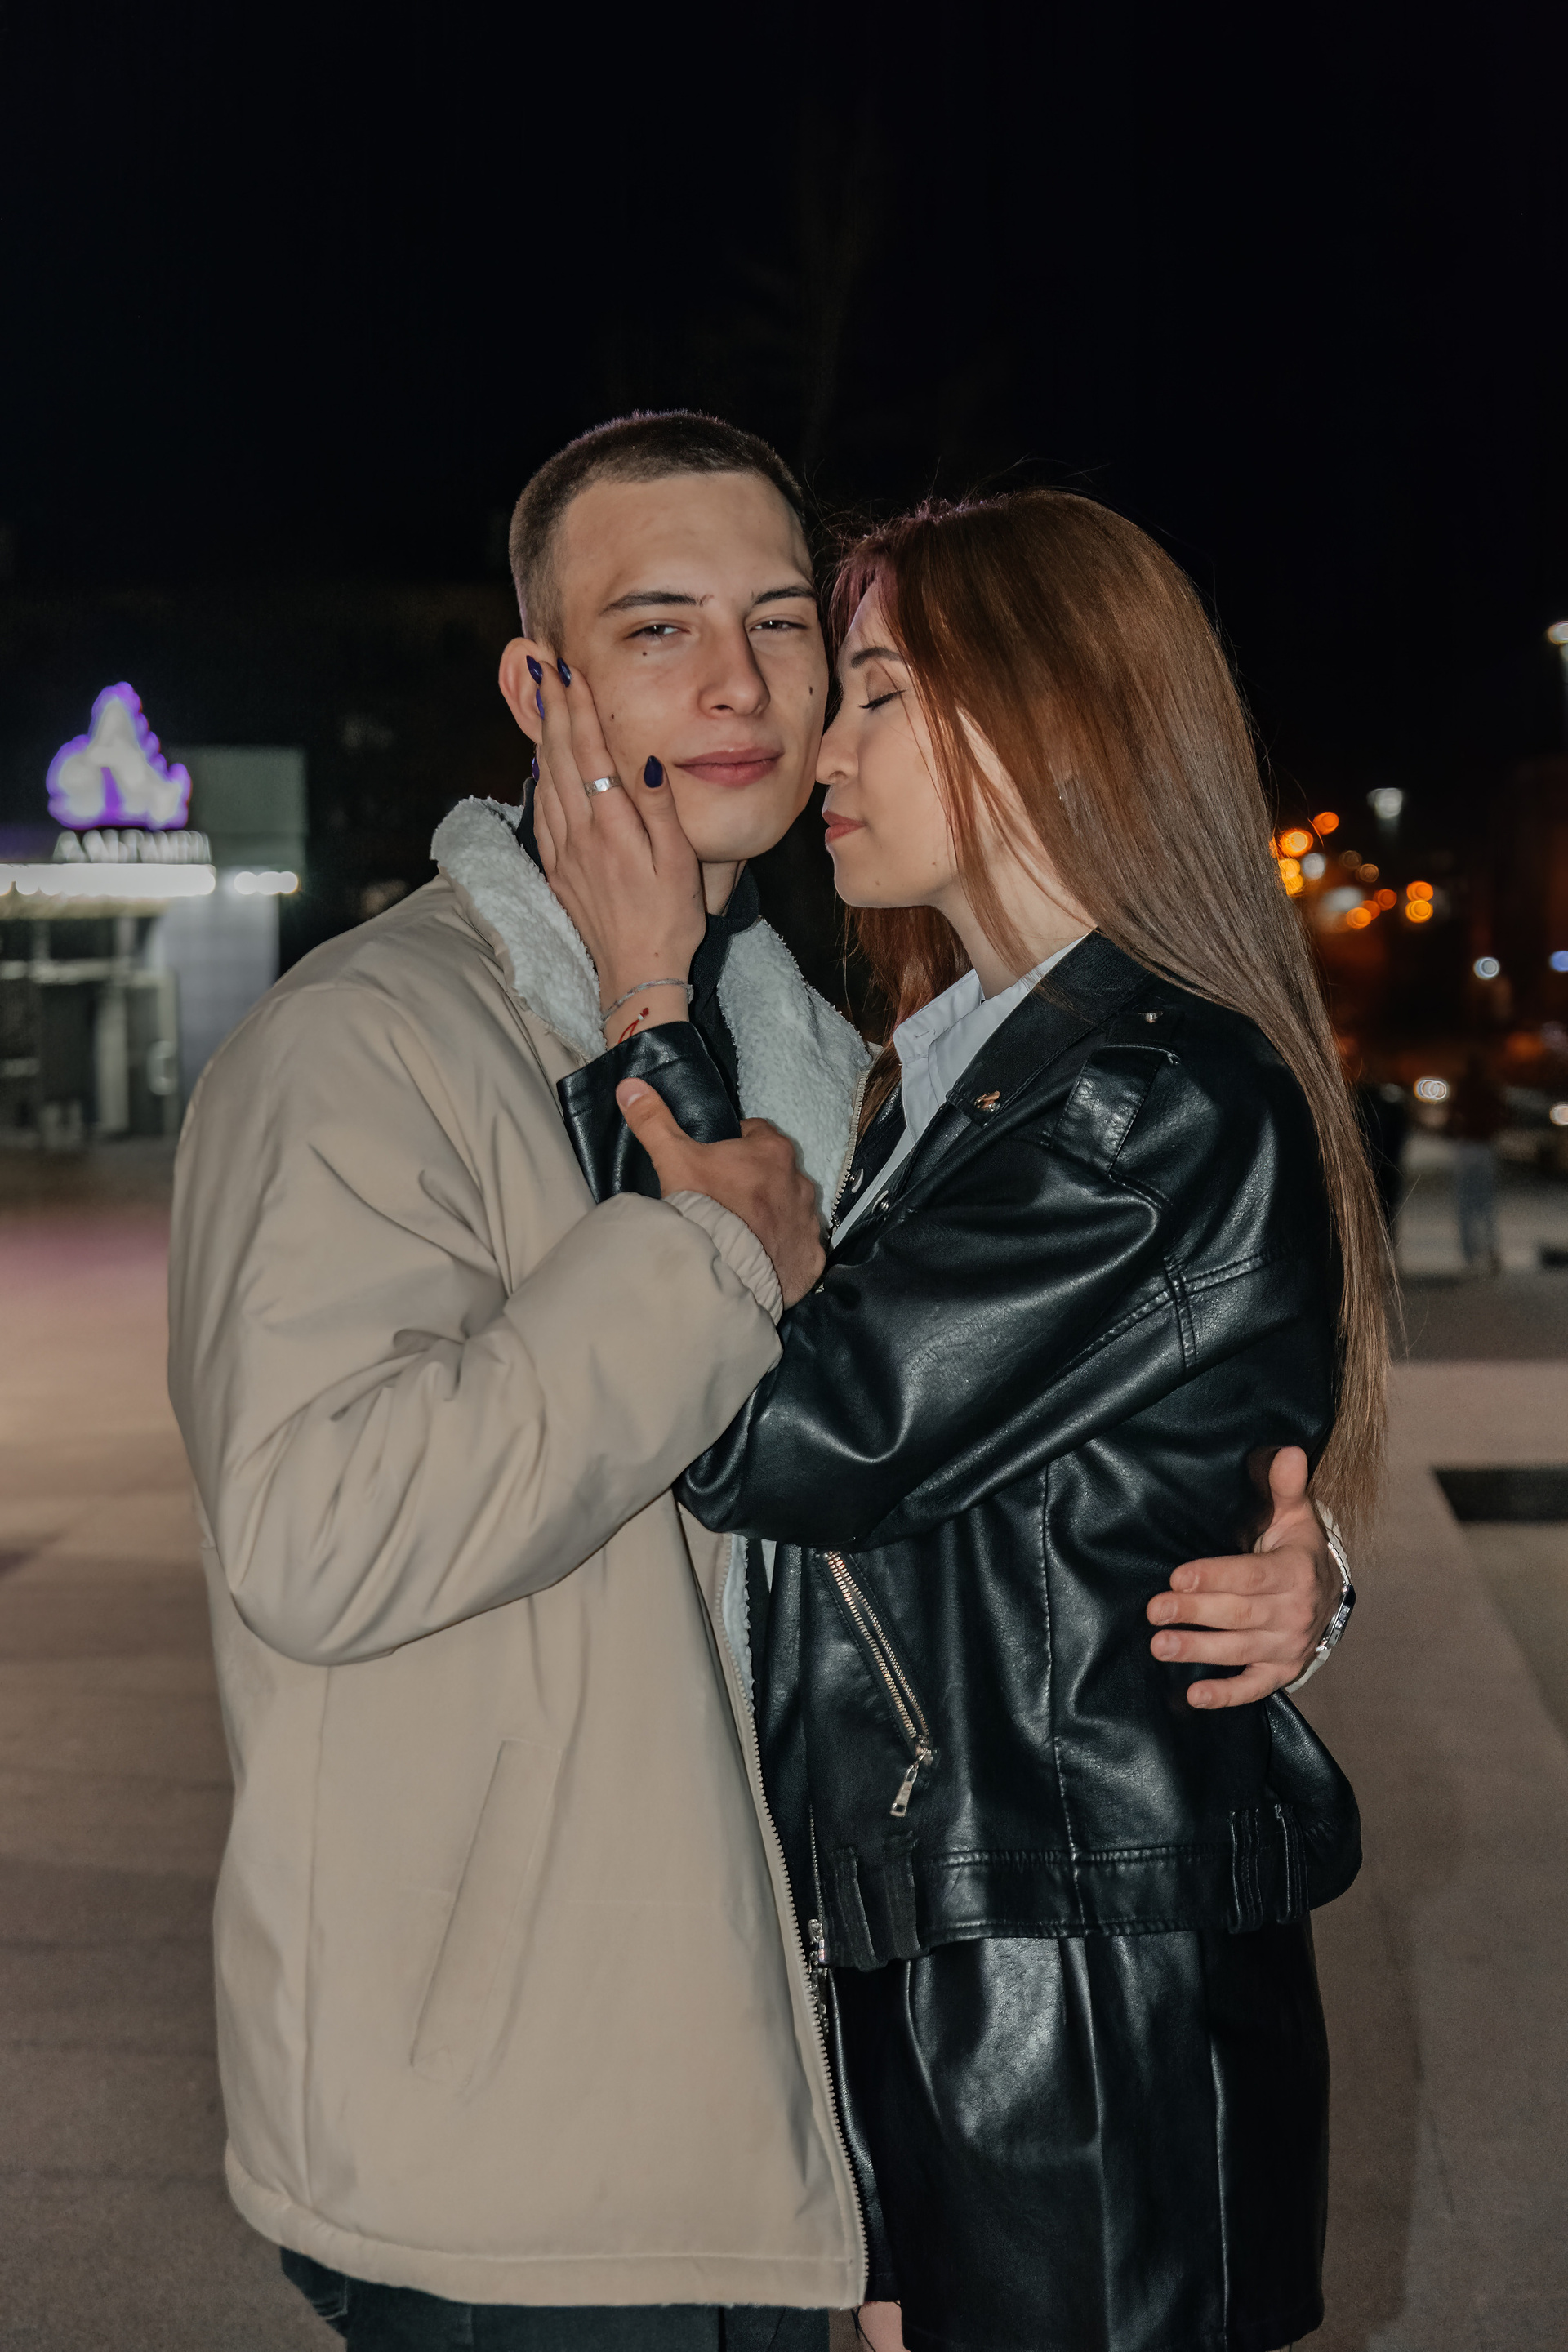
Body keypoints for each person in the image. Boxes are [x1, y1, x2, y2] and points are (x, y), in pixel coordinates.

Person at [167, 415, 1348, 2350]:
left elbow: (969, 1471)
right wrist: (699, 1237)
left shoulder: (828, 1065)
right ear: (539, 691)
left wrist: (1277, 1568)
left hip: (802, 2107)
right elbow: (317, 1535)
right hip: (524, 2155)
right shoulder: (359, 1048)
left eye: (789, 629)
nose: (739, 685)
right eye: (657, 629)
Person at [546, 486, 1383, 2352]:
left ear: (1047, 713)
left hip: (1069, 2002)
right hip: (976, 1948)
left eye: (878, 693)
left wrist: (647, 1001)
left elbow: (783, 1435)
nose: (825, 751)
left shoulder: (1140, 1100)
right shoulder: (969, 1079)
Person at [1448, 1047, 1507, 1276]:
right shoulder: (1488, 1087)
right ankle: (1490, 1251)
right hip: (1483, 1146)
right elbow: (1504, 1114)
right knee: (1485, 1203)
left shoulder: (1466, 1087)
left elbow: (1452, 1116)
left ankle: (1472, 1256)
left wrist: (1455, 1129)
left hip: (1469, 1146)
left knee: (1466, 1204)